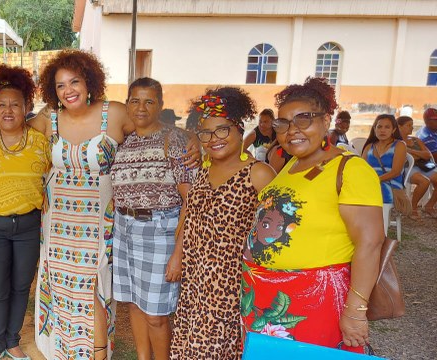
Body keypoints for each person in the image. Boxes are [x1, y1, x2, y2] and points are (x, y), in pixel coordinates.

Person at [26, 49, 200, 360]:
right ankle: (63, 350)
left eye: (74, 82)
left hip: (99, 222)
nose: (68, 91)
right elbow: (8, 127)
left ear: (89, 81)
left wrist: (193, 140)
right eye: (61, 85)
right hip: (57, 222)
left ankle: (96, 354)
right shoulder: (47, 119)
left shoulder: (115, 113)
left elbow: (156, 129)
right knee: (62, 282)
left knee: (95, 284)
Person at [242, 77, 383, 353]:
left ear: (326, 120)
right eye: (283, 123)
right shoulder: (290, 166)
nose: (292, 130)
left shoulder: (350, 169)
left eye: (304, 119)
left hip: (313, 298)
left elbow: (370, 242)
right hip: (265, 296)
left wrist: (356, 309)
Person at [170, 87, 275, 359]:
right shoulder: (204, 170)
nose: (213, 139)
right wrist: (177, 254)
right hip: (195, 281)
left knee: (224, 349)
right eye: (206, 133)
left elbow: (274, 236)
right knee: (192, 345)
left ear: (240, 129)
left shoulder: (258, 174)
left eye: (222, 130)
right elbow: (190, 214)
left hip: (231, 286)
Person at [0, 64, 49, 360]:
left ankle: (12, 340)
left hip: (29, 225)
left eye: (15, 104)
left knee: (20, 285)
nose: (8, 110)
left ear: (27, 107)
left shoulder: (40, 141)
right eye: (2, 104)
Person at [112, 78, 195, 360]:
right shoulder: (123, 141)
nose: (141, 108)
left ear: (160, 105)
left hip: (160, 231)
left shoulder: (174, 140)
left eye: (149, 101)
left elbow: (191, 200)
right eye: (135, 101)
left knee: (156, 314)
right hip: (124, 230)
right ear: (127, 104)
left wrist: (178, 253)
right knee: (134, 304)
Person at [361, 114, 406, 231]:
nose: (382, 130)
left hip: (391, 183)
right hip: (371, 182)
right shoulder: (370, 146)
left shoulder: (399, 145)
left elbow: (396, 171)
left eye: (387, 127)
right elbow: (361, 168)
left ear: (393, 130)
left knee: (368, 192)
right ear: (374, 129)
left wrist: (375, 180)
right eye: (379, 127)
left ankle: (375, 232)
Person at [398, 115, 437, 217]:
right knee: (424, 181)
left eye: (412, 125)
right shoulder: (395, 142)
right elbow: (403, 157)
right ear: (399, 126)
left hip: (423, 165)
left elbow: (427, 155)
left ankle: (429, 206)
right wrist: (418, 154)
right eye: (408, 125)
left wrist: (410, 151)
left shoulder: (415, 140)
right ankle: (413, 207)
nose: (412, 127)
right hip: (406, 167)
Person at [416, 108, 437, 215]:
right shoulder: (427, 136)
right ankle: (429, 206)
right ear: (427, 121)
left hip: (427, 162)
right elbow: (435, 158)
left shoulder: (432, 130)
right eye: (435, 120)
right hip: (424, 164)